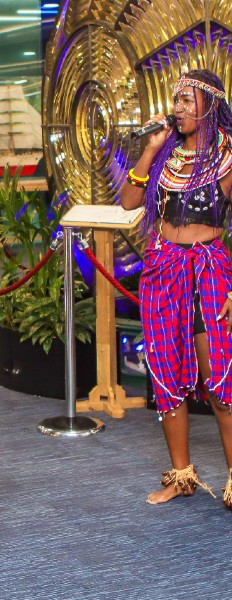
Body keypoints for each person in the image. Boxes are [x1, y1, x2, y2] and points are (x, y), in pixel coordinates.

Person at [120, 70, 232, 507]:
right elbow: (129, 202)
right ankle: (180, 476)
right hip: (165, 271)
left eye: (188, 100)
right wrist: (149, 149)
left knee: (221, 379)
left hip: (209, 273)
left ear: (210, 104)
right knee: (165, 376)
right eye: (176, 100)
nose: (179, 108)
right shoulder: (166, 155)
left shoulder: (226, 159)